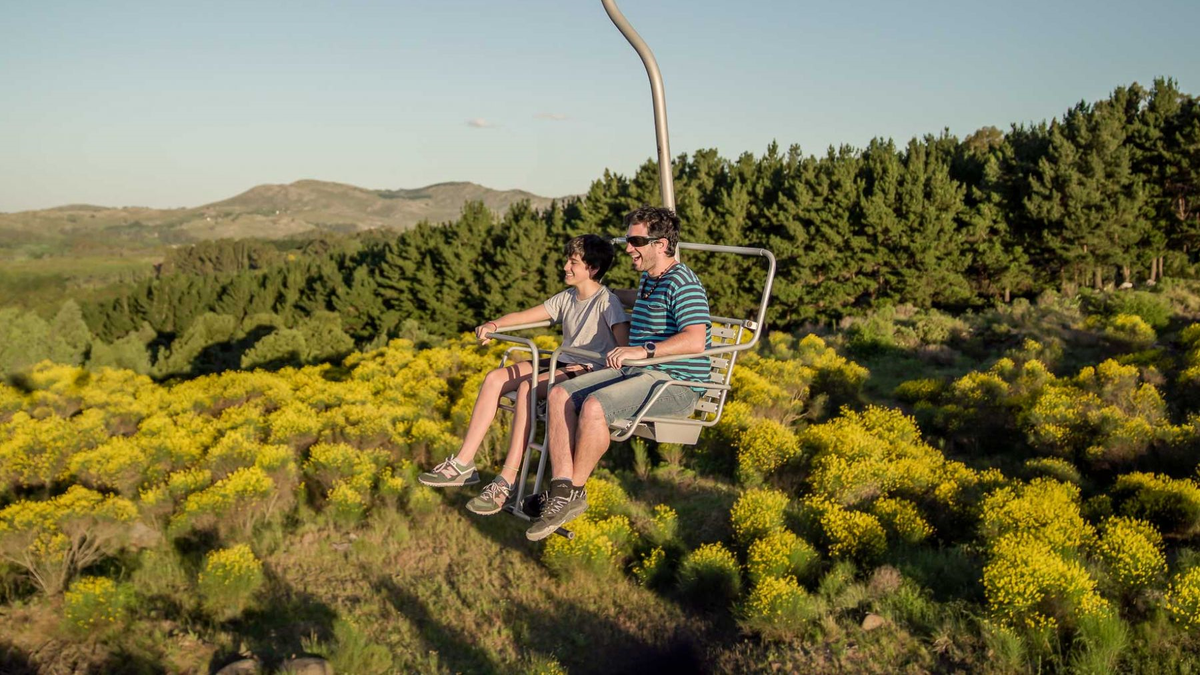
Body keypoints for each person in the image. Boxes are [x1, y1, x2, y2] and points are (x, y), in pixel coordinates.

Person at [526, 206, 711, 541]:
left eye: (636, 241)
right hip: (639, 374)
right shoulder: (650, 281)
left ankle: (571, 493)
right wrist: (594, 292)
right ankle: (562, 492)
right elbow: (629, 300)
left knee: (595, 406)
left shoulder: (683, 283)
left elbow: (696, 339)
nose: (628, 248)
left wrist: (643, 351)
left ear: (662, 244)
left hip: (673, 382)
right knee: (558, 393)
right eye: (628, 240)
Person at [418, 234, 630, 517]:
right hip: (563, 361)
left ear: (591, 269)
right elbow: (524, 315)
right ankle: (463, 463)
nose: (566, 266)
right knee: (495, 378)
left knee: (528, 389)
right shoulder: (567, 298)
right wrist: (494, 324)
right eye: (568, 260)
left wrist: (618, 363)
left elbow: (624, 346)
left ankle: (506, 481)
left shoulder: (607, 302)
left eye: (573, 262)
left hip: (587, 369)